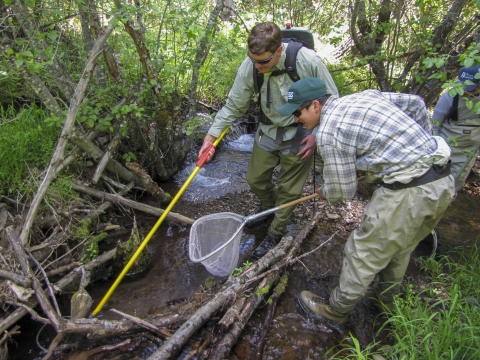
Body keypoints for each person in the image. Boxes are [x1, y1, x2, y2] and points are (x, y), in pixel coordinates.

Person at [276, 77, 455, 325]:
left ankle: (336, 311)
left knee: (362, 252)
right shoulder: (363, 96)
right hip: (442, 180)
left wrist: (326, 191)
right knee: (400, 248)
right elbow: (416, 103)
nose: (296, 119)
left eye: (298, 112)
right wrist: (420, 144)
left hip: (408, 192)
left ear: (316, 105)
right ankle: (385, 300)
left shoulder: (328, 132)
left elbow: (343, 191)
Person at [198, 22, 338, 259]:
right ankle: (269, 207)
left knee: (289, 189)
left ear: (279, 51)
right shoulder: (251, 66)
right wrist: (210, 138)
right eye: (253, 60)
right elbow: (234, 105)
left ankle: (276, 232)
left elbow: (332, 101)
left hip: (301, 132)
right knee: (255, 179)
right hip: (268, 130)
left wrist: (316, 135)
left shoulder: (307, 61)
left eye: (263, 61)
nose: (257, 66)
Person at [432, 65, 480, 193]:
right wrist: (435, 147)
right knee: (435, 179)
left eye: (470, 88)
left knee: (456, 181)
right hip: (446, 146)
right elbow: (434, 124)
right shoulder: (450, 96)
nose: (464, 91)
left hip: (468, 151)